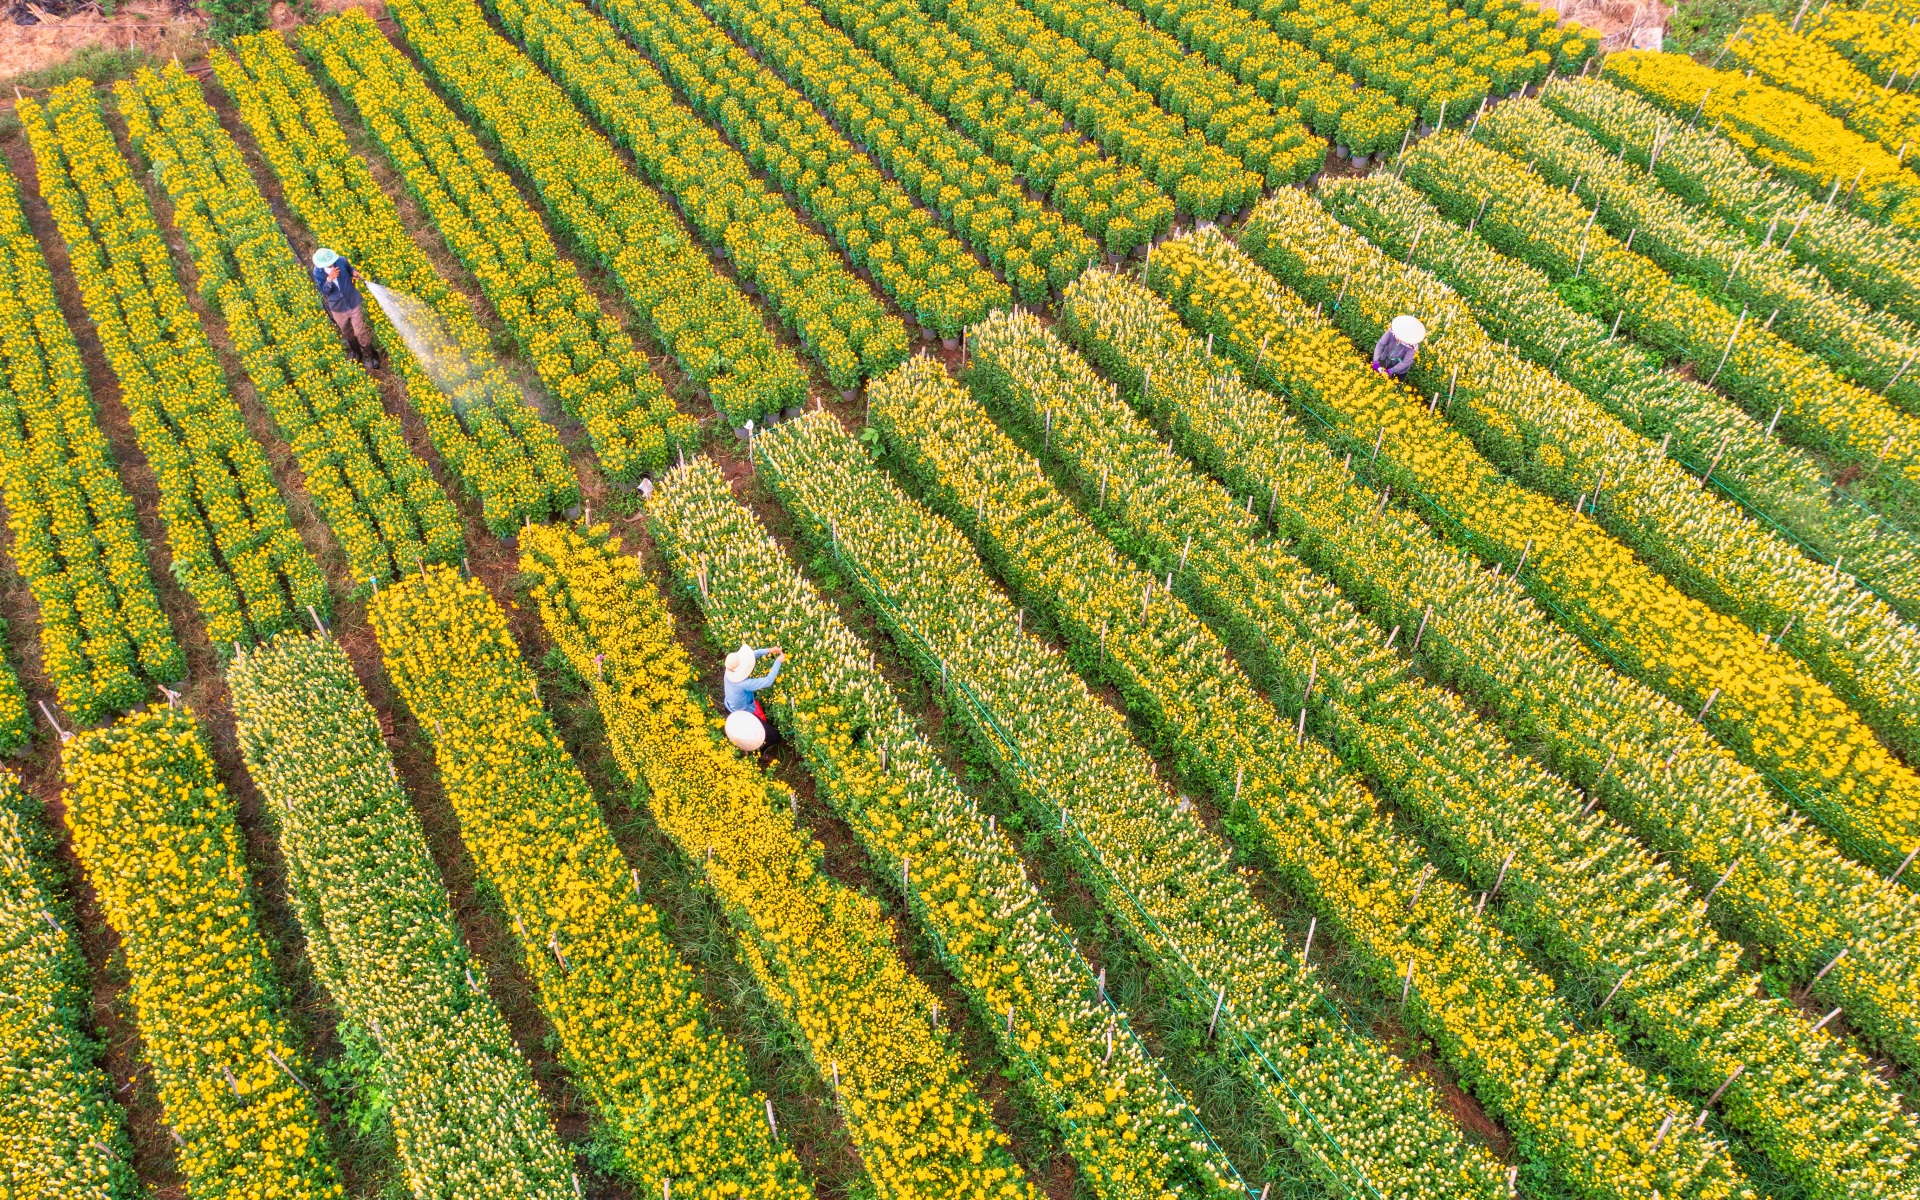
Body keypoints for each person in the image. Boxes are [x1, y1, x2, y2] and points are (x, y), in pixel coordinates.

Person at [311, 248, 380, 371]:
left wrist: (354, 273)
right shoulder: (318, 272)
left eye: (331, 262)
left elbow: (350, 269)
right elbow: (324, 291)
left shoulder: (341, 261)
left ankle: (373, 355)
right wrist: (329, 280)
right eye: (328, 264)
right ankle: (357, 352)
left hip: (353, 302)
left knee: (360, 331)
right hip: (338, 307)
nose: (331, 264)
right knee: (347, 331)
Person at [722, 642, 785, 752]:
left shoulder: (729, 671)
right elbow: (768, 681)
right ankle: (761, 752)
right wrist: (778, 662)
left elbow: (750, 656)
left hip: (728, 705)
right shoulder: (744, 684)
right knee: (774, 736)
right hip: (742, 715)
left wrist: (768, 650)